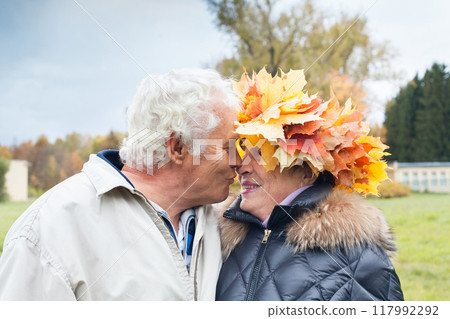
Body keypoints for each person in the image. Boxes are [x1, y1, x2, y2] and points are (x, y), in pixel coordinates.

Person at [0, 68, 240, 300]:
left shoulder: (220, 222)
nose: (238, 161)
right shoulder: (49, 230)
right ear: (177, 147)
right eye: (227, 147)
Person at [215, 68, 404, 301]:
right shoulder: (217, 240)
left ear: (307, 171)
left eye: (261, 154)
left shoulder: (357, 257)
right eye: (244, 151)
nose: (241, 167)